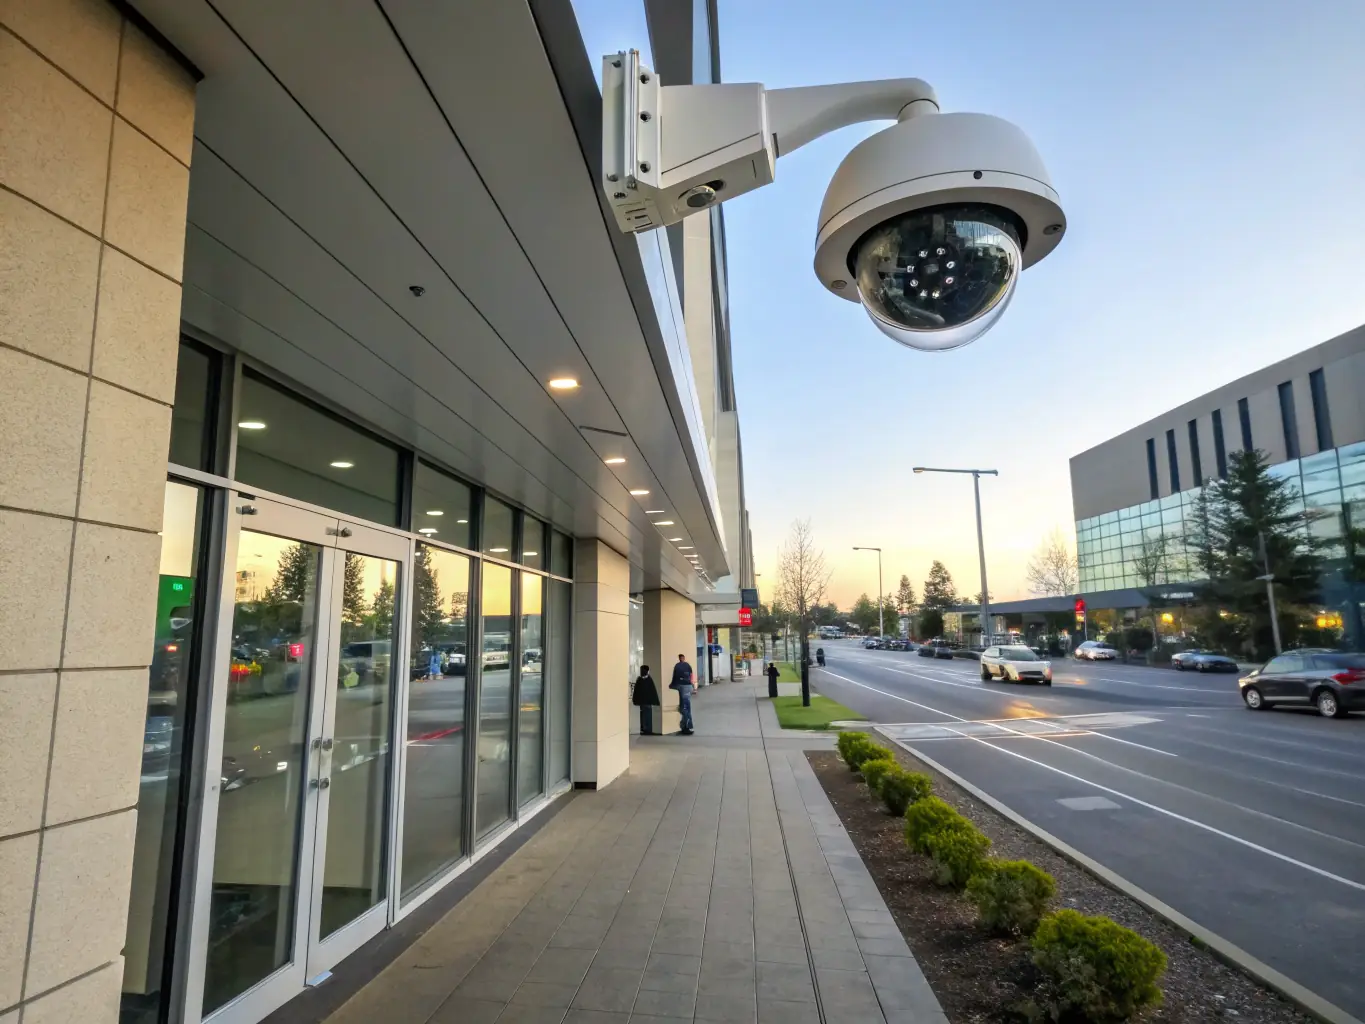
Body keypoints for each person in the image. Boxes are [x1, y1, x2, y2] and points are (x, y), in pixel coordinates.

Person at [669, 653, 695, 735]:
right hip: (688, 687)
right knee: (686, 707)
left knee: (684, 708)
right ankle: (685, 725)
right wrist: (692, 685)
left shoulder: (677, 666)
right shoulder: (687, 665)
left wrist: (672, 685)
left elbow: (675, 677)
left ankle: (687, 727)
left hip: (682, 687)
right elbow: (691, 675)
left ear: (679, 658)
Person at [632, 665, 660, 735]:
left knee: (646, 714)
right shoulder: (645, 679)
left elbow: (652, 691)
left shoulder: (642, 679)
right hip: (645, 701)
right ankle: (645, 729)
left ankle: (647, 729)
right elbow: (652, 691)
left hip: (646, 701)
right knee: (645, 714)